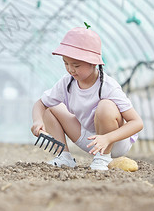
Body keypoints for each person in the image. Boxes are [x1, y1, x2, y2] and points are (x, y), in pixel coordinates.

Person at [31, 26, 143, 170]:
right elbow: (40, 104)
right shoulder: (67, 82)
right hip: (89, 139)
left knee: (106, 106)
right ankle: (64, 157)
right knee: (49, 105)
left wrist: (107, 138)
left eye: (76, 65)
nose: (70, 69)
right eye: (66, 63)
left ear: (93, 63)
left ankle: (103, 158)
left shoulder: (108, 86)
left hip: (115, 142)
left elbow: (137, 123)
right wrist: (37, 121)